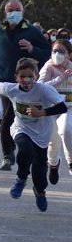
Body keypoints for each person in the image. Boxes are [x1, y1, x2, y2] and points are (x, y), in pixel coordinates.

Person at [0, 58, 66, 212]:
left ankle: (40, 192)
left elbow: (62, 107)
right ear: (16, 77)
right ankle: (21, 179)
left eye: (30, 77)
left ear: (35, 77)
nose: (26, 80)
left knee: (39, 173)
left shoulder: (43, 90)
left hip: (42, 135)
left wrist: (42, 112)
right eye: (22, 77)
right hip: (21, 128)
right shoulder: (11, 88)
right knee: (25, 150)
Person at [0, 0, 51, 170]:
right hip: (5, 82)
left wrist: (33, 49)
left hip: (27, 84)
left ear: (23, 12)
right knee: (9, 116)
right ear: (5, 13)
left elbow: (47, 53)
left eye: (17, 10)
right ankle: (7, 154)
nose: (14, 13)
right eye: (11, 10)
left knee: (24, 117)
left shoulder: (32, 31)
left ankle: (26, 149)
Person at [37, 38, 72, 185]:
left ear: (69, 54)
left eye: (61, 51)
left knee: (67, 129)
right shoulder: (48, 67)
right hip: (51, 109)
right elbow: (39, 87)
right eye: (54, 51)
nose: (57, 54)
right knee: (53, 142)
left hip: (68, 107)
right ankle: (53, 164)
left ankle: (71, 162)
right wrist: (60, 78)